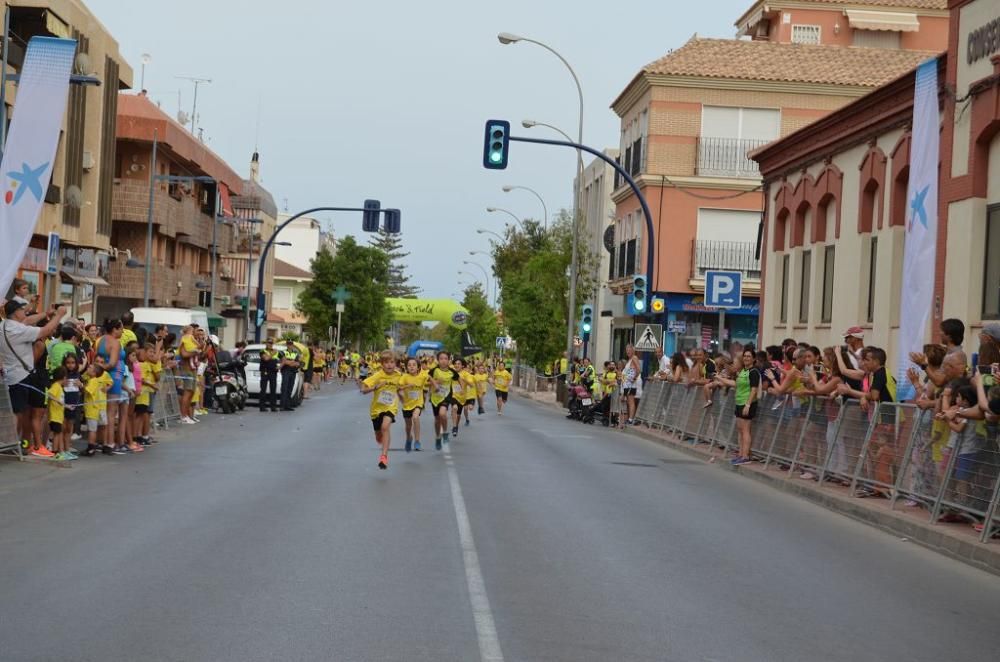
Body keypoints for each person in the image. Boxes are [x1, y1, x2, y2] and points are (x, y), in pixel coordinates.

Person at [0, 300, 67, 456]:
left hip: (10, 375)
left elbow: (28, 320)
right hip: (21, 375)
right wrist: (59, 315)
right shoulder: (18, 330)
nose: (25, 312)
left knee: (15, 411)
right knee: (18, 412)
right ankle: (11, 444)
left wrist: (46, 314)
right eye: (22, 309)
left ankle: (12, 443)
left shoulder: (4, 326)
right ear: (16, 312)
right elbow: (46, 330)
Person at [714, 349, 759, 465]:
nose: (746, 358)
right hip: (739, 402)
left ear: (754, 359)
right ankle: (741, 453)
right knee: (740, 430)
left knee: (745, 430)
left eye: (749, 356)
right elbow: (735, 384)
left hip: (747, 404)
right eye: (745, 356)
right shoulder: (743, 371)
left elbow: (754, 389)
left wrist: (748, 405)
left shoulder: (753, 372)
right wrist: (720, 378)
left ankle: (745, 456)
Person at [361, 350, 401, 470]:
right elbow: (363, 390)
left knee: (385, 427)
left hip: (391, 407)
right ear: (382, 364)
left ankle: (384, 457)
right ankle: (380, 438)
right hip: (376, 410)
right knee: (379, 435)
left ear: (396, 363)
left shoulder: (399, 375)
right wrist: (375, 387)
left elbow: (406, 384)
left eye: (392, 362)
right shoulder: (377, 375)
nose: (389, 365)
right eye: (386, 362)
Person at [427, 351, 460, 450]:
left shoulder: (452, 371)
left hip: (446, 396)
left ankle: (445, 432)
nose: (443, 361)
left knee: (442, 414)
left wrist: (462, 389)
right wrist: (436, 382)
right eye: (441, 358)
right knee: (437, 419)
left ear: (449, 360)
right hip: (435, 397)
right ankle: (438, 437)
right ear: (438, 360)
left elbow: (459, 378)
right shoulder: (433, 370)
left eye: (446, 358)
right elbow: (426, 382)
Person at [398, 357, 428, 452]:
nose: (411, 367)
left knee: (415, 417)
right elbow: (398, 388)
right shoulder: (404, 377)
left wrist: (436, 383)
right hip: (407, 405)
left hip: (418, 403)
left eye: (414, 365)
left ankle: (417, 441)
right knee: (408, 426)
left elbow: (430, 380)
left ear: (418, 367)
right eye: (409, 365)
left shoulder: (422, 376)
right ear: (406, 367)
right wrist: (407, 386)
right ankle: (409, 438)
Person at [46, 367, 75, 461]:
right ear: (63, 377)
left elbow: (61, 402)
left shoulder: (59, 387)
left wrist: (67, 406)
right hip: (55, 417)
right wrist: (58, 401)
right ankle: (55, 452)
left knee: (58, 434)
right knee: (57, 434)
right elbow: (50, 395)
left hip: (59, 416)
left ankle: (57, 451)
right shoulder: (56, 386)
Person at [177, 325, 200, 424]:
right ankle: (183, 415)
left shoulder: (192, 339)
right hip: (187, 369)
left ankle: (187, 415)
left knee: (191, 392)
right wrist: (194, 353)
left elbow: (199, 347)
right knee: (187, 392)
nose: (193, 332)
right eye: (192, 330)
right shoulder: (185, 339)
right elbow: (184, 354)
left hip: (193, 368)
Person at [621, 344, 641, 425]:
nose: (628, 352)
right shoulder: (629, 360)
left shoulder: (634, 358)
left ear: (633, 350)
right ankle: (630, 418)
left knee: (631, 401)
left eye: (629, 350)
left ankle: (631, 419)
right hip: (627, 384)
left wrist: (634, 378)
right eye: (627, 350)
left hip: (631, 384)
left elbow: (639, 369)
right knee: (629, 401)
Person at [279, 340, 301, 411]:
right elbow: (284, 362)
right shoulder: (283, 352)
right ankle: (282, 405)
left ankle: (287, 405)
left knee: (290, 389)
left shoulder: (296, 353)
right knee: (284, 388)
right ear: (286, 345)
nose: (290, 345)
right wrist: (292, 362)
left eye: (291, 344)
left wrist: (289, 362)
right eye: (288, 344)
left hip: (293, 372)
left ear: (293, 345)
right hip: (286, 372)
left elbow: (298, 363)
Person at [259, 339, 279, 412]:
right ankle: (262, 407)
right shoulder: (262, 351)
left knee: (273, 390)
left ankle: (273, 407)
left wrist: (280, 366)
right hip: (265, 372)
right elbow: (266, 358)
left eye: (271, 343)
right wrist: (273, 353)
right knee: (263, 389)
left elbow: (283, 359)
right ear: (266, 343)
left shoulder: (276, 352)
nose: (270, 344)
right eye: (269, 343)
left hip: (273, 372)